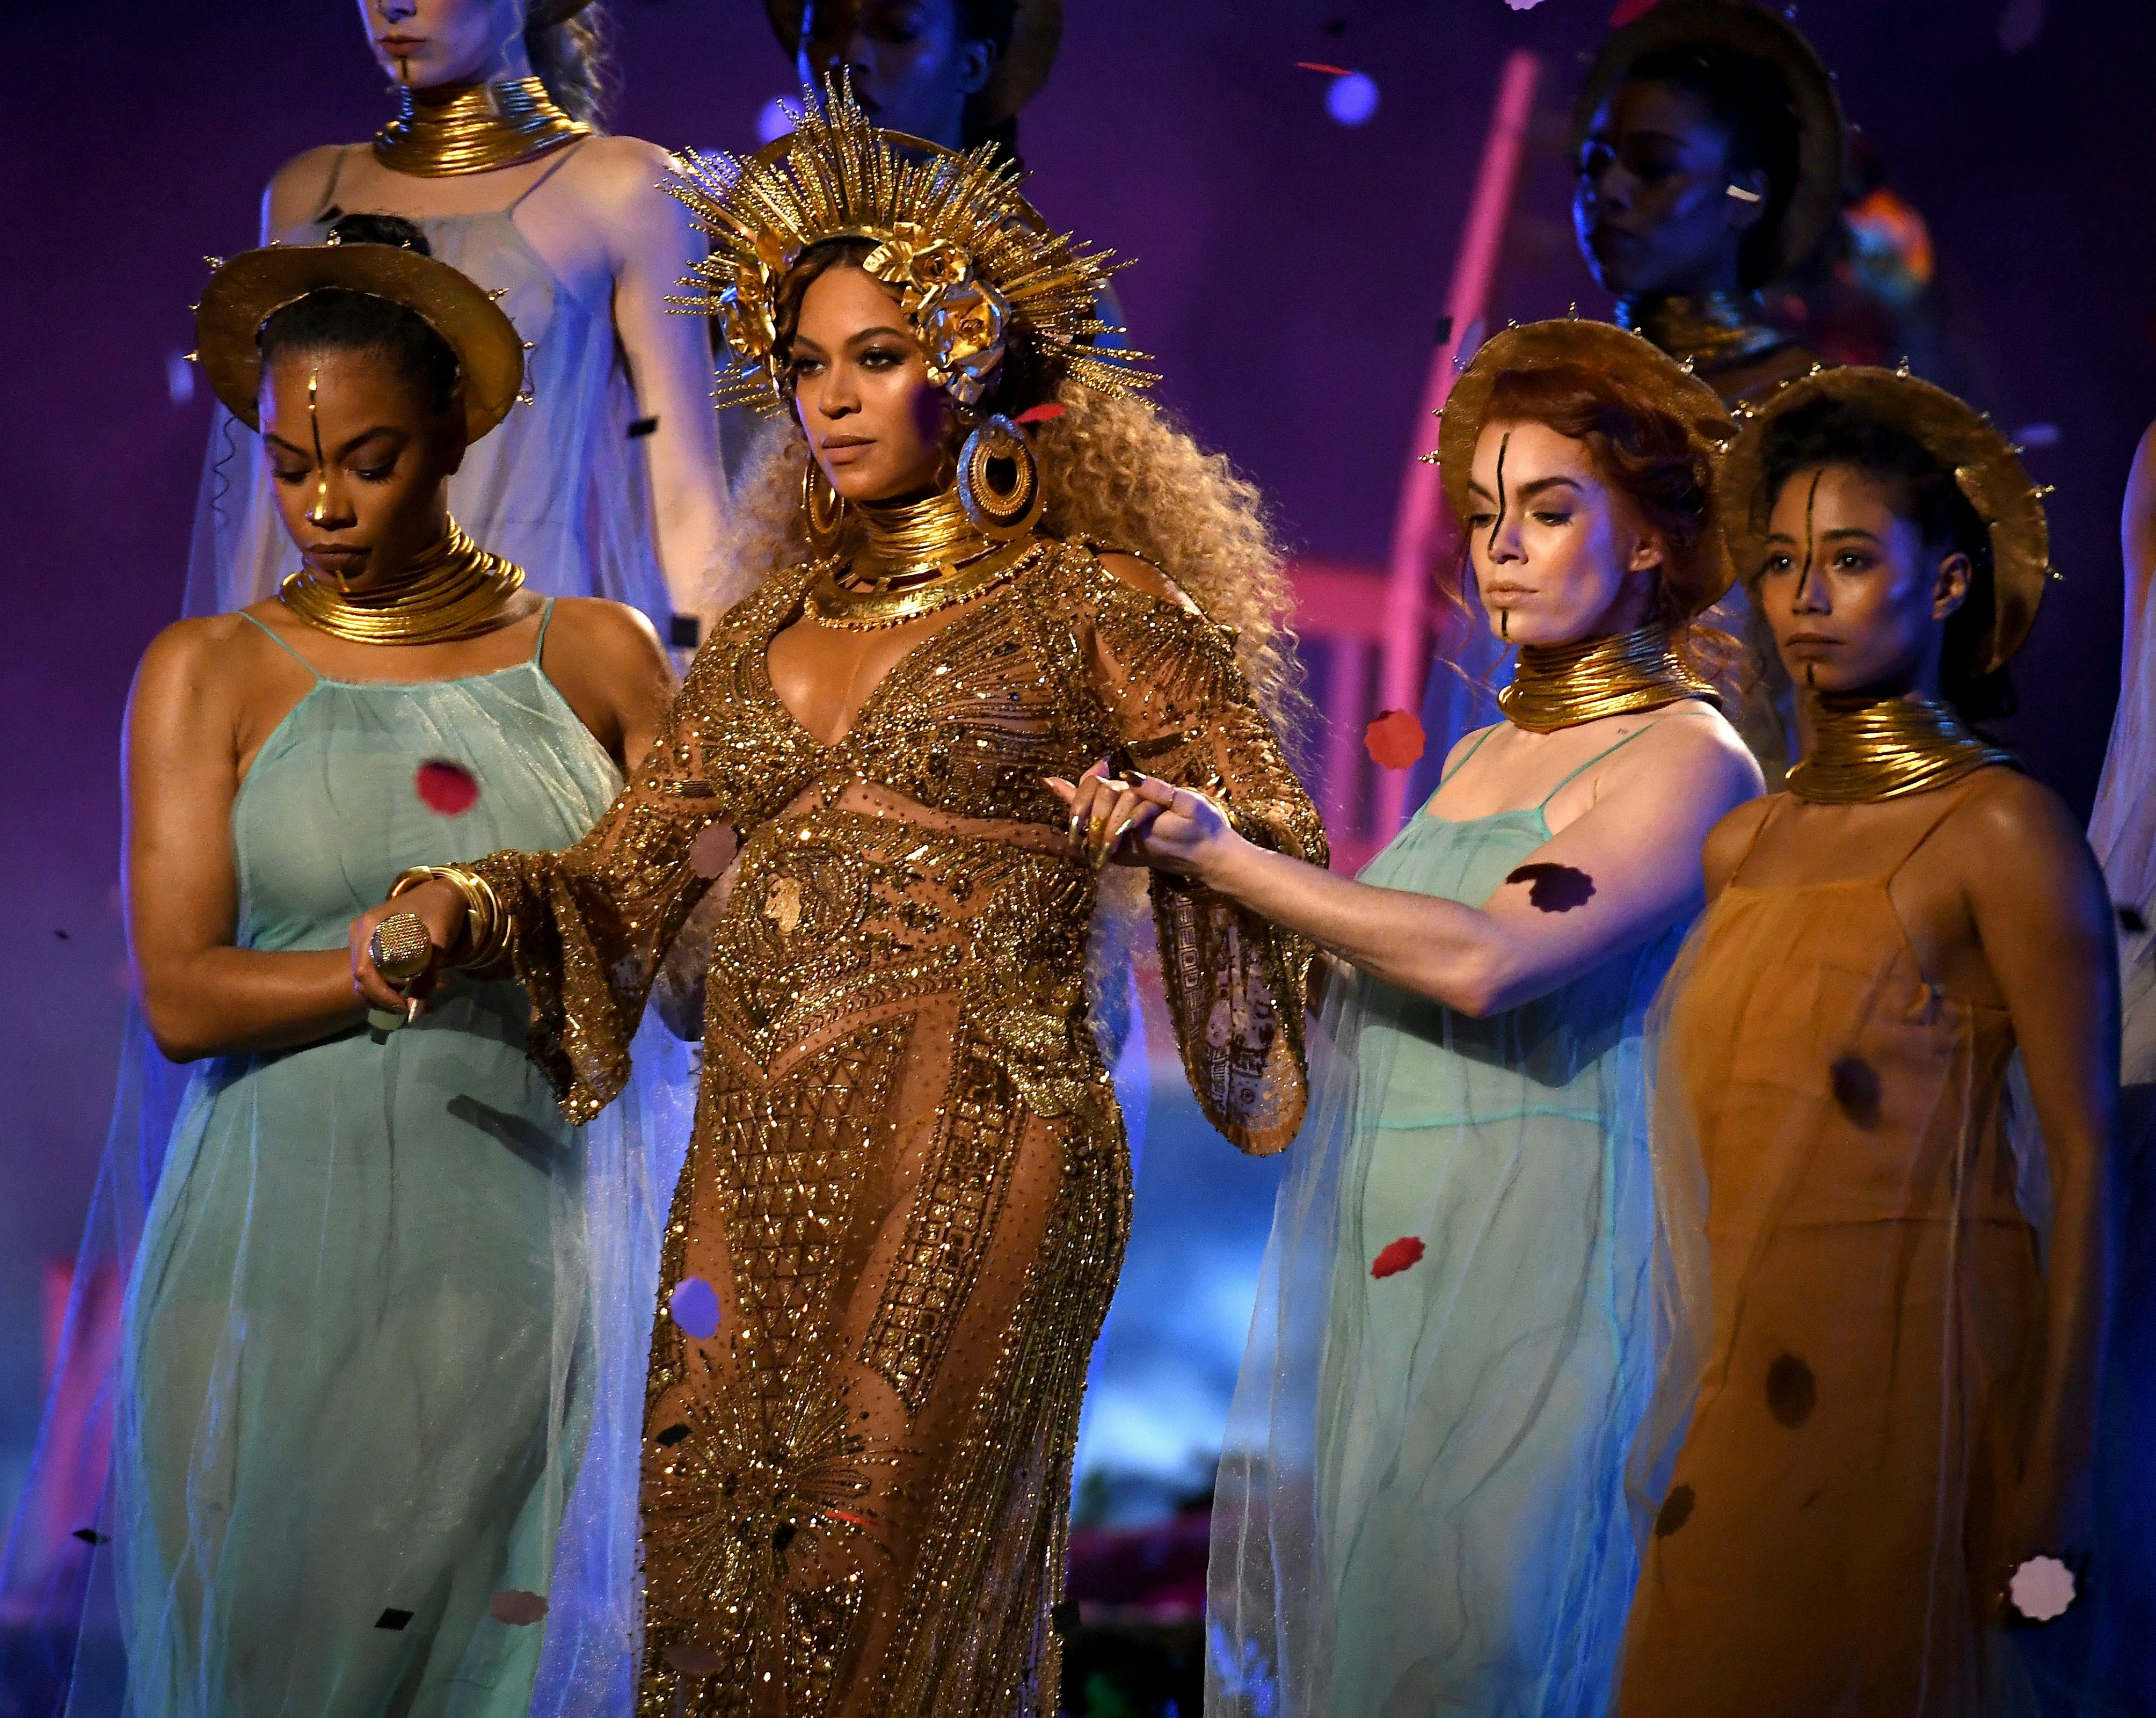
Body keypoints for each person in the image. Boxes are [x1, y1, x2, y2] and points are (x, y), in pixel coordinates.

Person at [349, 84, 1324, 1714]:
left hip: (985, 1135)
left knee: (873, 1566)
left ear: (969, 355)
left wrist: (1189, 848)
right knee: (717, 1576)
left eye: (875, 355)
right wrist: (477, 897)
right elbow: (624, 887)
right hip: (756, 1154)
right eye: (804, 363)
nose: (829, 398)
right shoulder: (754, 632)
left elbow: (1266, 841)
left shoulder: (1087, 604)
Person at [0, 220, 684, 1716]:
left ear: (455, 430)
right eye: (291, 462)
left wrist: (505, 910)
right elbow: (182, 996)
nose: (320, 503)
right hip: (270, 1253)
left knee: (475, 1657)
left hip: (505, 1250)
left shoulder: (596, 658)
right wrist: (379, 966)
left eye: (367, 459)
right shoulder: (210, 670)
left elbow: (679, 956)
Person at [1182, 320, 1760, 1718]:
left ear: (1646, 544)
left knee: (1501, 1649)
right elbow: (1375, 962)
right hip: (1406, 1268)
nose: (1502, 546)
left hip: (1558, 1269)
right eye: (1490, 513)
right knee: (1387, 1647)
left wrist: (1221, 858)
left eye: (1551, 512)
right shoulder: (1490, 750)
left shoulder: (1692, 758)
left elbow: (1489, 960)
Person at [1617, 367, 2116, 1716]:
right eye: (1779, 564)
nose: (1803, 600)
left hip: (1934, 1385)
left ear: (1945, 585)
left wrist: (2054, 1461)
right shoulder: (1743, 842)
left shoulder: (2000, 835)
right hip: (1749, 1380)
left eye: (1847, 559)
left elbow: (2083, 1166)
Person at [190, 0, 729, 638]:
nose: (393, 6)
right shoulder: (305, 193)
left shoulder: (625, 190)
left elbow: (685, 494)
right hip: (323, 648)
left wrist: (718, 696)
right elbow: (268, 497)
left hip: (522, 653)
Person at [1572, 0, 1848, 787]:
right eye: (1594, 165)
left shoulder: (1811, 412)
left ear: (1745, 198)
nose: (1609, 191)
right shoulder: (1553, 397)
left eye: (1652, 166)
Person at [769, 0, 1061, 162]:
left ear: (972, 65)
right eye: (821, 29)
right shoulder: (753, 264)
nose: (850, 56)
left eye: (899, 30)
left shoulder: (1028, 270)